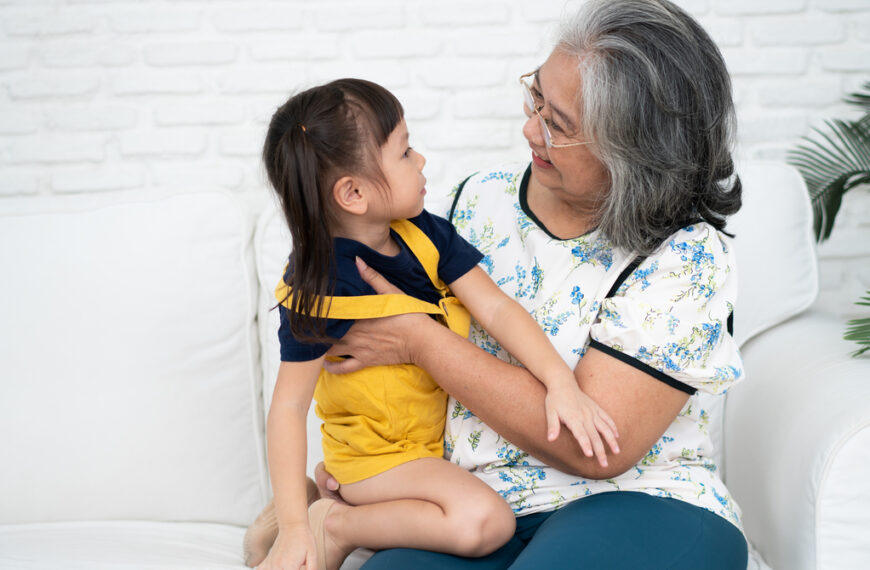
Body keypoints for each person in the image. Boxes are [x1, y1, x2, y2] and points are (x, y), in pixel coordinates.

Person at [314, 0, 750, 568]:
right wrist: (370, 460)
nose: (529, 128)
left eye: (557, 124)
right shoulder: (477, 200)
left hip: (640, 501)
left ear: (635, 152)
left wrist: (420, 339)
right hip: (470, 507)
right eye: (536, 98)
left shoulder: (689, 257)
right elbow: (378, 354)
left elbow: (594, 445)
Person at [243, 78, 621, 570]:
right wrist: (296, 532)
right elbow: (288, 407)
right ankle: (329, 522)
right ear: (353, 192)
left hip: (425, 450)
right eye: (404, 153)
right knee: (486, 522)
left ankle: (326, 502)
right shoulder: (319, 286)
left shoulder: (426, 235)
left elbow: (498, 308)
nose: (420, 161)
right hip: (374, 462)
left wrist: (560, 385)